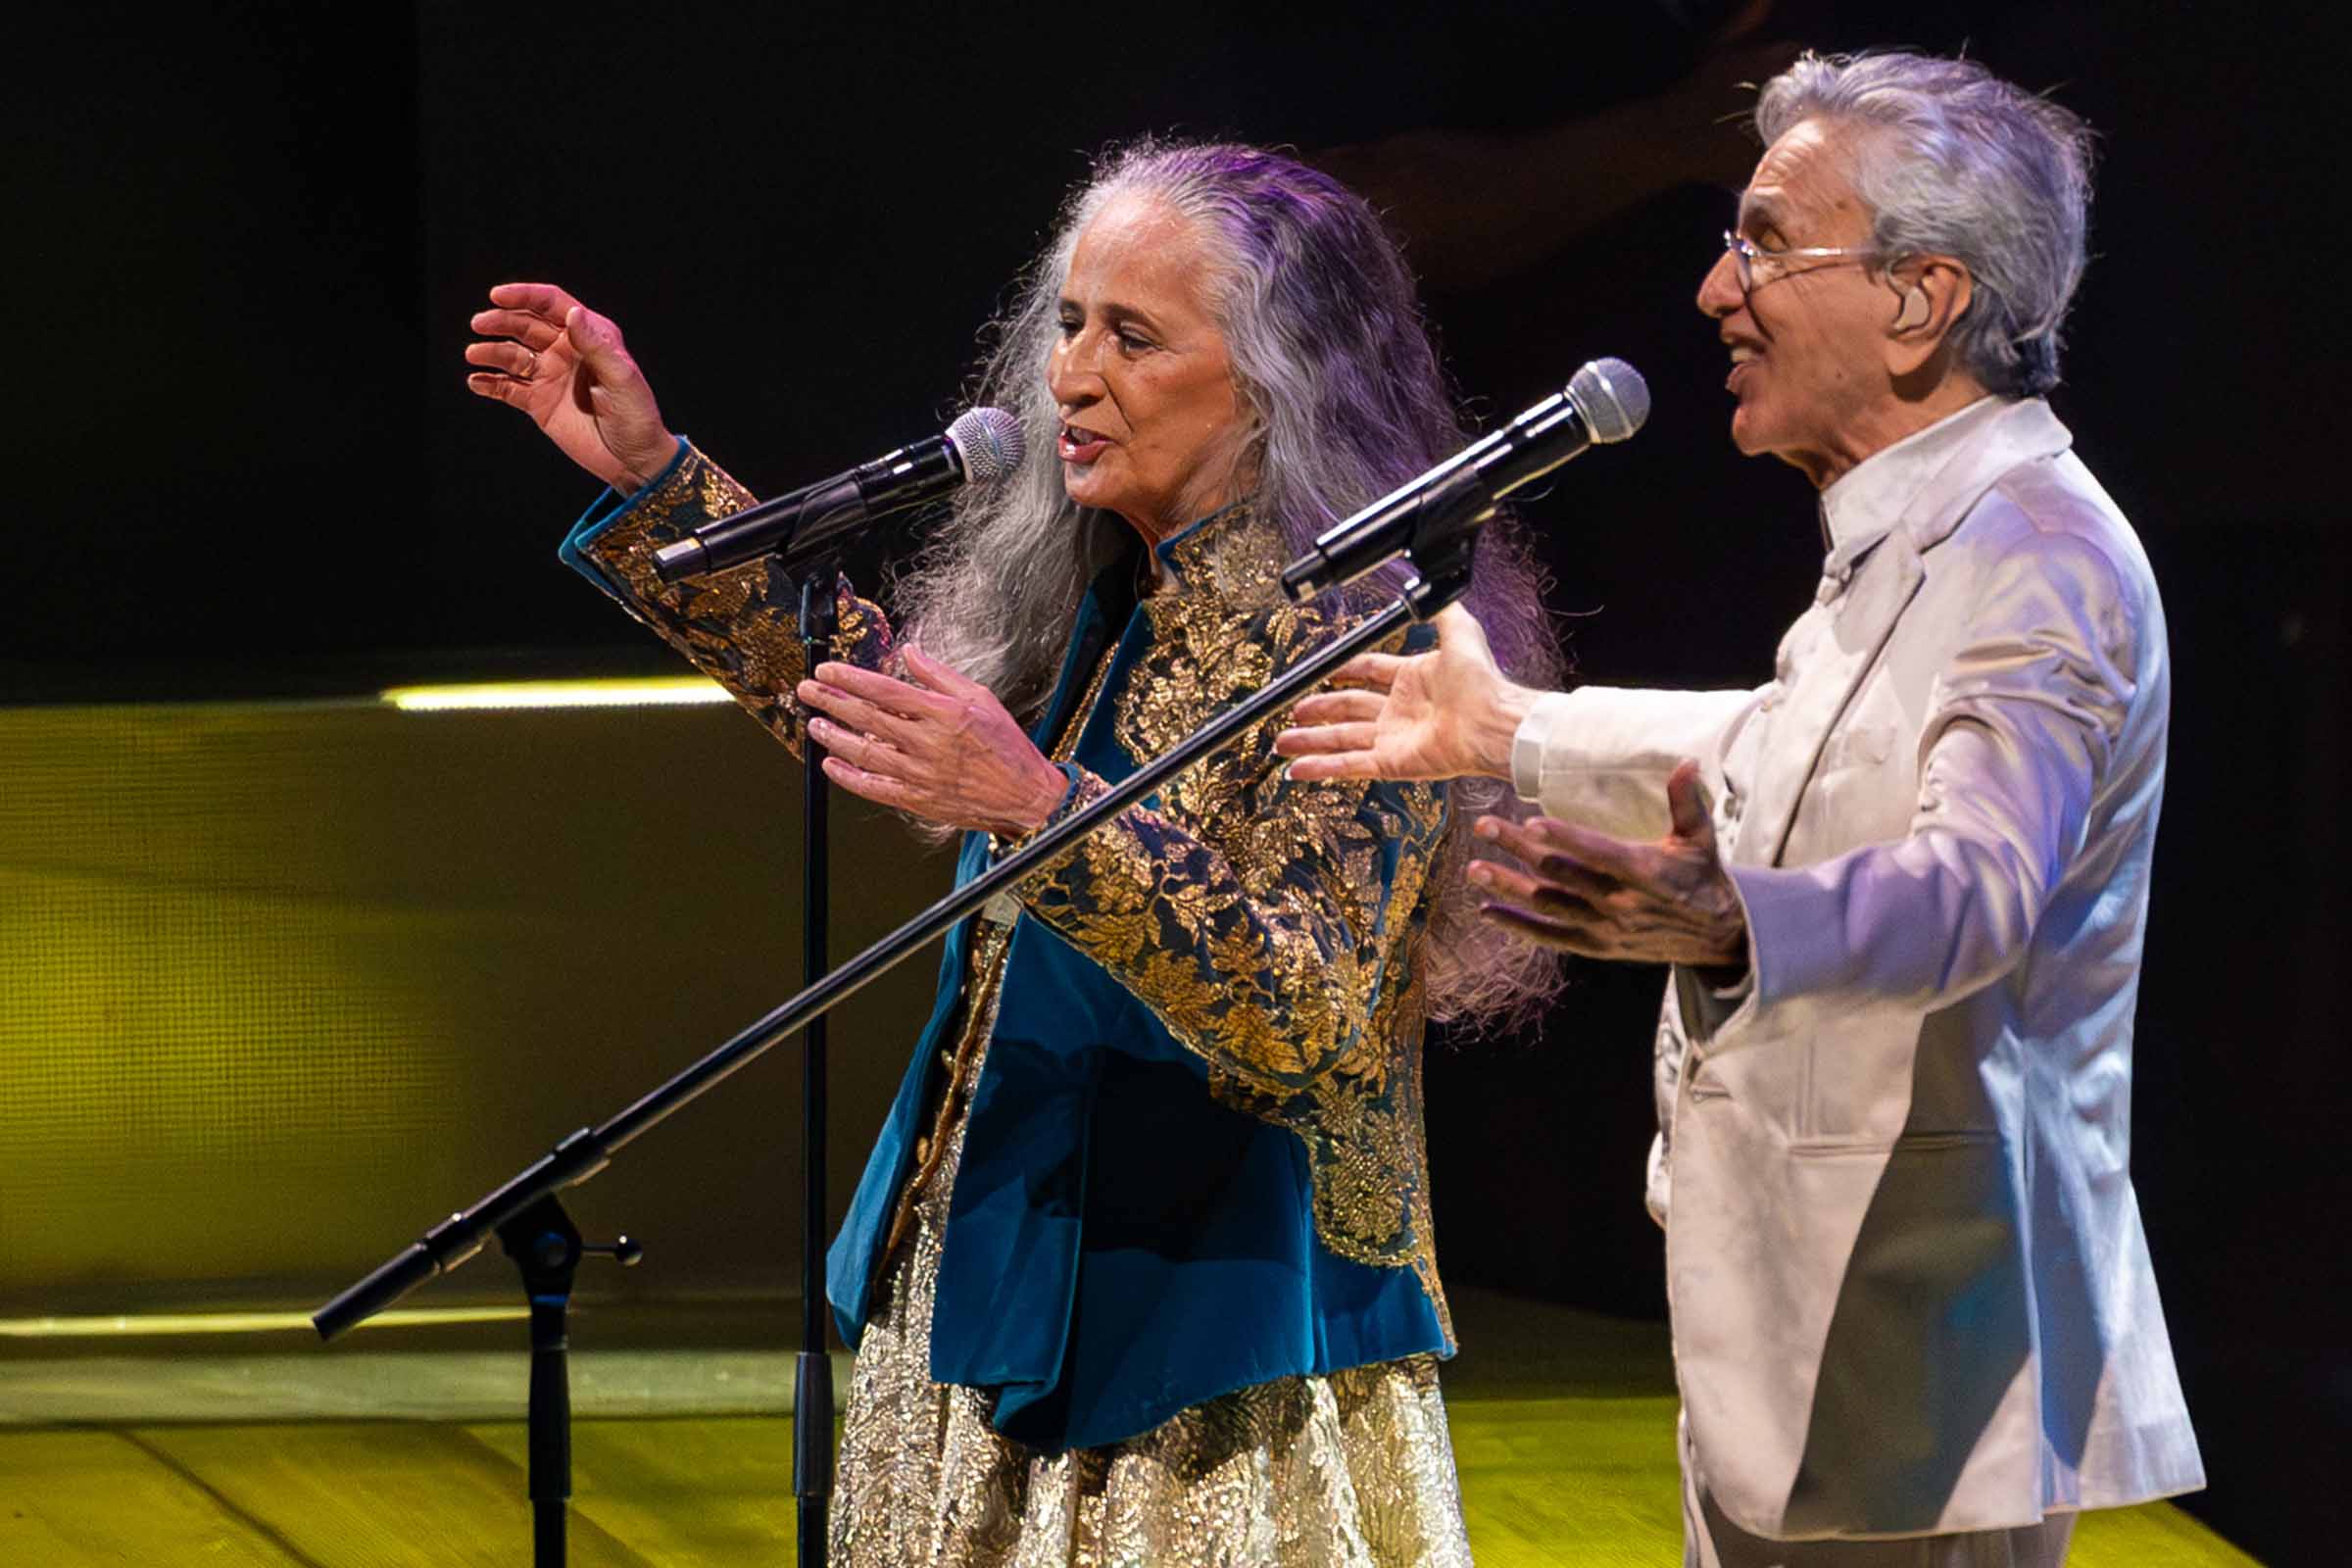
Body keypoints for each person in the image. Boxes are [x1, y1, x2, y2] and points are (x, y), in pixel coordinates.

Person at [466, 142, 1559, 1565]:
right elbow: (872, 699)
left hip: (1211, 1352)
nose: (1070, 376)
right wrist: (656, 477)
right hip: (987, 1264)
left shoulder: (1372, 636)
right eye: (1067, 324)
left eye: (1134, 335)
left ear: (1278, 381)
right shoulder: (1108, 588)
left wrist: (1044, 812)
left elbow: (1304, 1010)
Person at [1278, 50, 2203, 1566]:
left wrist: (1731, 922)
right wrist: (1505, 731)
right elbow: (1792, 746)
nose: (1716, 291)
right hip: (1820, 1350)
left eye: (1766, 241)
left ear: (1921, 300)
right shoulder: (1918, 527)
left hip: (1921, 1373)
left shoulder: (2037, 557)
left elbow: (1976, 887)